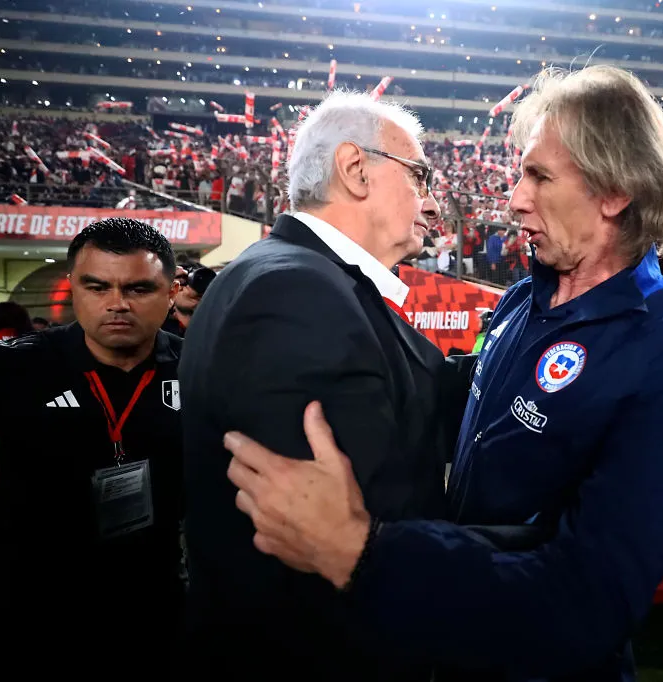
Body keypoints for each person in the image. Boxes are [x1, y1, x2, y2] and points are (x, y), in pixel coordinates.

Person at [223, 65, 663, 681]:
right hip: (445, 642)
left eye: (538, 176)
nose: (514, 197)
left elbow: (592, 601)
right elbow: (464, 406)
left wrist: (364, 551)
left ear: (614, 191)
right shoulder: (524, 298)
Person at [179, 91, 456, 680]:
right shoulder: (296, 291)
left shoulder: (304, 278)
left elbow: (425, 386)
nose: (430, 204)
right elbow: (330, 536)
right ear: (356, 170)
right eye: (420, 176)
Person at [0, 218, 186, 679]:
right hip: (29, 615)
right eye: (97, 287)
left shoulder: (199, 365)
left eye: (138, 289)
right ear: (73, 286)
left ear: (171, 291)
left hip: (153, 607)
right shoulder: (11, 367)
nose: (116, 304)